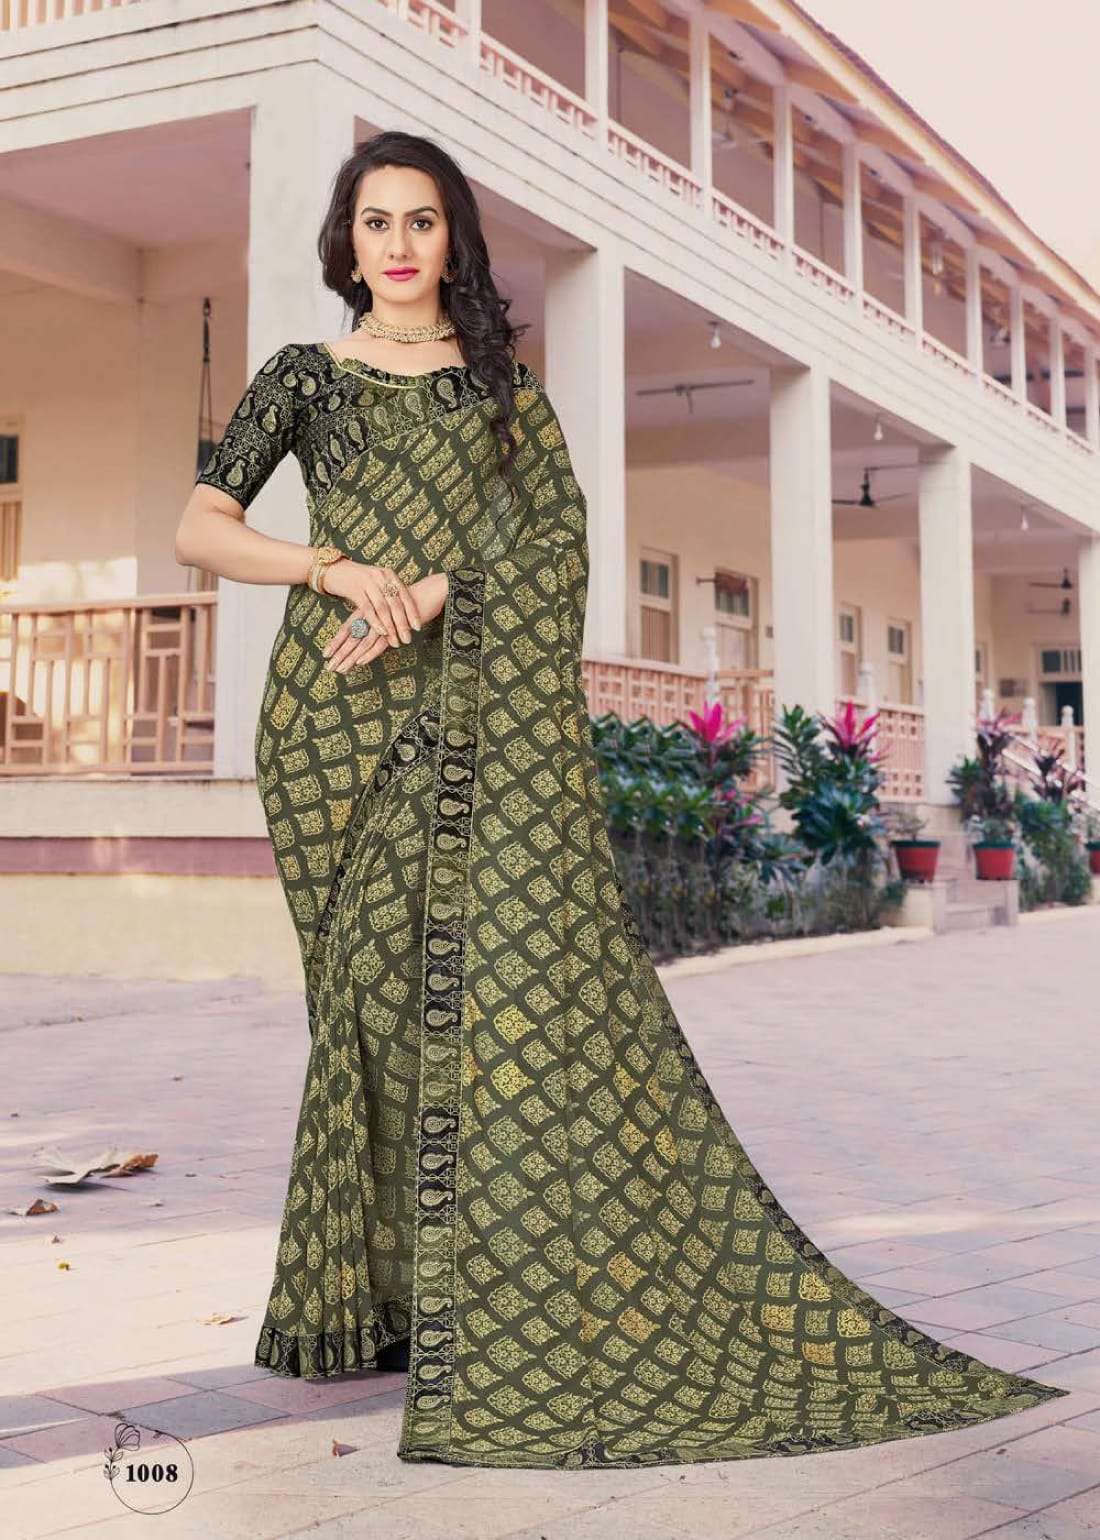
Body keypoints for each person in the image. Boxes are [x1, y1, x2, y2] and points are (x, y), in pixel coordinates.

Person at [174, 129, 1067, 1473]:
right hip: (330, 725)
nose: (400, 244)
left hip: (472, 718)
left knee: (474, 998)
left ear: (454, 241)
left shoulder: (503, 394)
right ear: (346, 242)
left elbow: (558, 544)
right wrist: (330, 568)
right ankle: (366, 1305)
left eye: (423, 220)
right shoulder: (305, 376)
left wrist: (440, 590)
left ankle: (470, 1299)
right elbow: (200, 525)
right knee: (358, 1002)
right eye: (376, 221)